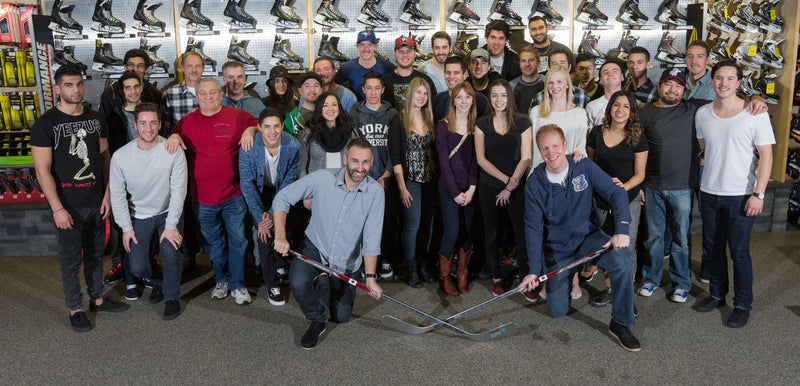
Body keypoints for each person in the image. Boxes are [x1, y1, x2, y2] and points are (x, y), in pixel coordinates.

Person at [637, 68, 768, 303]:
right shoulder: (647, 113)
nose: (672, 89)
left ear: (683, 90)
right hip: (654, 186)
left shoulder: (693, 108)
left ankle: (682, 284)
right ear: (659, 87)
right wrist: (639, 183)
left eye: (677, 85)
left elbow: (727, 97)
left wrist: (755, 98)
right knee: (654, 239)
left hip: (685, 187)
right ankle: (651, 279)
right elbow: (637, 149)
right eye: (667, 84)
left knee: (682, 239)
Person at [520, 124, 640, 352]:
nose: (551, 152)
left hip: (588, 239)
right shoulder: (535, 183)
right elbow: (533, 228)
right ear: (539, 152)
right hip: (558, 249)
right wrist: (534, 270)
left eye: (555, 146)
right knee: (557, 311)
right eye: (545, 148)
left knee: (622, 262)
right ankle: (566, 276)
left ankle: (621, 322)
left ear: (565, 146)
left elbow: (617, 193)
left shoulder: (583, 166)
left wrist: (622, 229)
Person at [31, 64, 129, 332]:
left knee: (96, 255)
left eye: (79, 84)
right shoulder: (45, 123)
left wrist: (108, 194)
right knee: (71, 259)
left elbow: (105, 158)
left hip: (96, 201)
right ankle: (75, 307)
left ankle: (97, 299)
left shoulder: (96, 119)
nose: (75, 89)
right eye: (69, 85)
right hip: (68, 206)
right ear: (58, 88)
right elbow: (41, 169)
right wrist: (57, 209)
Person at [272, 138, 385, 350]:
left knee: (342, 316)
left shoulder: (376, 193)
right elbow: (282, 199)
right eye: (355, 161)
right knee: (297, 281)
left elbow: (372, 238)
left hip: (346, 261)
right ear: (345, 159)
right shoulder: (322, 178)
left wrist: (370, 279)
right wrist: (280, 236)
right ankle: (316, 318)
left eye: (365, 162)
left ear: (371, 163)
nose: (360, 168)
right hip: (316, 249)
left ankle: (322, 281)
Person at [694, 60, 774, 328]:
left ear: (739, 83)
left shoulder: (755, 114)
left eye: (730, 79)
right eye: (719, 78)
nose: (723, 83)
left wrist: (758, 194)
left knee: (739, 253)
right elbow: (704, 147)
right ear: (712, 81)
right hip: (709, 192)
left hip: (741, 195)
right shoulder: (703, 113)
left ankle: (742, 304)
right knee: (713, 249)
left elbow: (766, 156)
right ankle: (717, 294)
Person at [166, 77, 258, 305]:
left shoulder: (237, 116)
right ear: (197, 97)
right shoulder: (187, 122)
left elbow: (261, 123)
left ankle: (237, 284)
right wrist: (174, 135)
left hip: (233, 195)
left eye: (213, 93)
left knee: (238, 240)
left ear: (220, 94)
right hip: (202, 197)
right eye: (203, 94)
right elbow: (171, 139)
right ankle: (222, 279)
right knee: (213, 243)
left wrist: (252, 130)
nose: (208, 97)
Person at [109, 102, 187, 320]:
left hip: (167, 213)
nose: (148, 128)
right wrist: (126, 228)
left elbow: (179, 191)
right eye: (143, 123)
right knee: (138, 268)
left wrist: (171, 226)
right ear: (135, 125)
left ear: (160, 124)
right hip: (139, 215)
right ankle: (160, 281)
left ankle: (172, 297)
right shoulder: (121, 156)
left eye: (153, 123)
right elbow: (117, 196)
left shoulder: (172, 151)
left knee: (170, 252)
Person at [99, 48, 164, 285]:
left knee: (148, 215)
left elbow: (161, 128)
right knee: (121, 218)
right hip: (121, 167)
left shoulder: (154, 95)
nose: (134, 69)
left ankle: (147, 260)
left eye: (139, 65)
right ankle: (120, 262)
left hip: (149, 167)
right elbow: (106, 132)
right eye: (130, 64)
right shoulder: (111, 96)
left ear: (146, 70)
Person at [584, 91, 648, 308]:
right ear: (610, 108)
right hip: (601, 200)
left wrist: (622, 188)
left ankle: (625, 295)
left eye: (626, 107)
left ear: (631, 112)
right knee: (606, 245)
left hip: (627, 199)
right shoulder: (595, 133)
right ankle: (611, 288)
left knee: (626, 246)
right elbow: (591, 166)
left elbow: (640, 174)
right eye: (617, 105)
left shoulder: (638, 137)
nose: (621, 110)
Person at [475, 79, 532, 298]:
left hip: (516, 187)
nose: (499, 100)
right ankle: (497, 278)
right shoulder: (482, 123)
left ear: (510, 97)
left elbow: (526, 157)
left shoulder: (523, 122)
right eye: (495, 95)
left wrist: (511, 185)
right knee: (491, 234)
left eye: (503, 95)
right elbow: (481, 159)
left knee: (522, 233)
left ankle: (526, 276)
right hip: (490, 186)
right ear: (490, 98)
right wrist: (504, 182)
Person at [239, 107, 301, 307]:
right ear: (259, 127)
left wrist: (274, 215)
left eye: (276, 126)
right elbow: (247, 184)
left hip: (281, 191)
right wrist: (261, 219)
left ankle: (280, 265)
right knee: (264, 236)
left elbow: (288, 183)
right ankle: (272, 285)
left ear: (283, 126)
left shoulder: (293, 146)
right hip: (259, 191)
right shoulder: (249, 146)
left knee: (283, 229)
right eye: (267, 127)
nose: (272, 132)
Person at [350, 70, 404, 279]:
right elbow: (352, 147)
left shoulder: (392, 115)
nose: (373, 92)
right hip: (362, 178)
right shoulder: (355, 115)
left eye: (377, 88)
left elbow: (396, 148)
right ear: (363, 90)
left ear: (383, 90)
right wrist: (362, 175)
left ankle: (386, 259)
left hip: (386, 178)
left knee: (387, 221)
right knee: (362, 222)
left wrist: (388, 173)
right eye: (369, 88)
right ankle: (364, 261)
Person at [390, 77, 437, 288]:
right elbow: (396, 157)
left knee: (428, 225)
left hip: (430, 180)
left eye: (425, 93)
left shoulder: (430, 117)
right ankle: (409, 267)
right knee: (412, 225)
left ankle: (421, 263)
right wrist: (401, 187)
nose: (422, 97)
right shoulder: (399, 119)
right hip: (410, 181)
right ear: (410, 94)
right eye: (418, 92)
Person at [162, 52, 205, 271]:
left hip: (206, 156)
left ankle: (206, 249)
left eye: (198, 66)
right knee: (183, 204)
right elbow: (165, 127)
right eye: (190, 66)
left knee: (204, 204)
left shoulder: (210, 92)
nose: (194, 70)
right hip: (181, 157)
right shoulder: (170, 94)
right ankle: (188, 254)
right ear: (182, 68)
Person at [436, 82, 478, 295]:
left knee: (468, 232)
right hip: (449, 188)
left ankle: (462, 272)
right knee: (452, 231)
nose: (463, 102)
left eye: (467, 97)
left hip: (469, 188)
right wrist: (455, 193)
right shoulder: (443, 126)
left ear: (473, 100)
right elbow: (444, 163)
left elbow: (474, 162)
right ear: (453, 101)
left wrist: (471, 189)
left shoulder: (475, 127)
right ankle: (444, 276)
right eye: (459, 97)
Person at [529, 65, 589, 169]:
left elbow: (581, 148)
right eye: (551, 82)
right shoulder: (536, 113)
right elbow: (530, 149)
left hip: (569, 174)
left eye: (559, 81)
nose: (554, 86)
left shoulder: (580, 114)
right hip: (540, 174)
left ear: (567, 84)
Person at [298, 92, 358, 176]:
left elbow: (357, 161)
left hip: (344, 185)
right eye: (325, 105)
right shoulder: (308, 133)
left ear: (339, 107)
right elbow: (301, 167)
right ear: (320, 108)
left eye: (334, 105)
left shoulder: (350, 132)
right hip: (316, 185)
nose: (331, 109)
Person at [334, 29, 395, 101]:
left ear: (375, 46)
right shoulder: (347, 68)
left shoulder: (387, 67)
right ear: (357, 46)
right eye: (362, 45)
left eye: (370, 45)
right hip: (356, 111)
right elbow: (334, 87)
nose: (366, 49)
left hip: (381, 111)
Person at [383, 35, 437, 111]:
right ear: (395, 53)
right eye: (401, 51)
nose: (405, 55)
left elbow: (433, 109)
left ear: (414, 53)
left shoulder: (425, 80)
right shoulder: (385, 81)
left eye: (408, 51)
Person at [432, 56, 489, 121]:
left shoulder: (480, 100)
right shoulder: (437, 100)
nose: (451, 76)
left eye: (456, 73)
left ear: (465, 75)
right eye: (448, 72)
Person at [585, 60, 626, 127]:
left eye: (615, 71)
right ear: (600, 80)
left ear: (622, 77)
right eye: (606, 72)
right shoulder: (592, 107)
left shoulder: (633, 103)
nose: (610, 74)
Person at [284, 72, 323, 136]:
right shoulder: (291, 119)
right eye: (307, 86)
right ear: (300, 91)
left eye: (316, 86)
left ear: (321, 90)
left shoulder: (327, 115)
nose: (312, 89)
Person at [509, 45, 544, 115]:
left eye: (531, 60)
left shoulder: (548, 83)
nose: (527, 64)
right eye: (523, 61)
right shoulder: (511, 86)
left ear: (538, 62)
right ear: (519, 64)